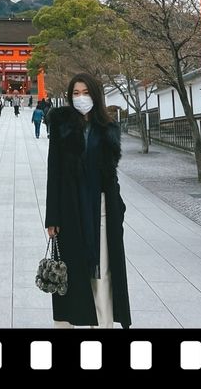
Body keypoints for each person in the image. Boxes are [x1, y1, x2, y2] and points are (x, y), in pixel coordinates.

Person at [43, 72, 131, 329]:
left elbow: (110, 175)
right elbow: (54, 172)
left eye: (86, 93)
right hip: (70, 210)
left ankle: (103, 325)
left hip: (101, 209)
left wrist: (119, 209)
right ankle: (67, 324)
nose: (81, 98)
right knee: (71, 272)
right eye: (76, 94)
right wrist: (52, 216)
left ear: (96, 95)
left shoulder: (107, 130)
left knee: (103, 273)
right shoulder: (61, 124)